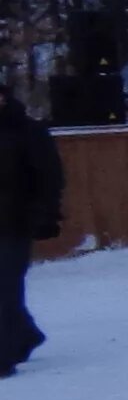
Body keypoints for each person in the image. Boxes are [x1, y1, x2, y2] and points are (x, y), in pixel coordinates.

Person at [0, 71, 65, 376]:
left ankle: (3, 356)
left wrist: (46, 215)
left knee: (5, 288)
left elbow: (50, 178)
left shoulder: (28, 132)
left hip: (15, 221)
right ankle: (25, 334)